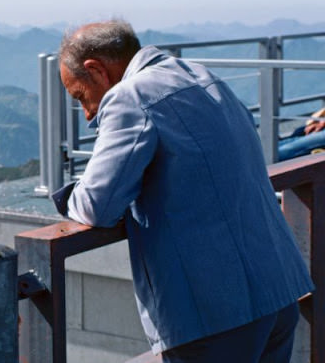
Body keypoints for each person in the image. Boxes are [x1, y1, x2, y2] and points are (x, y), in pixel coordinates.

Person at [52, 20, 314, 362]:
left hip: (216, 315)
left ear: (96, 70)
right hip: (277, 292)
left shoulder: (130, 97)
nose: (88, 114)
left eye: (80, 96)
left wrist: (68, 195)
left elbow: (96, 207)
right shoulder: (202, 75)